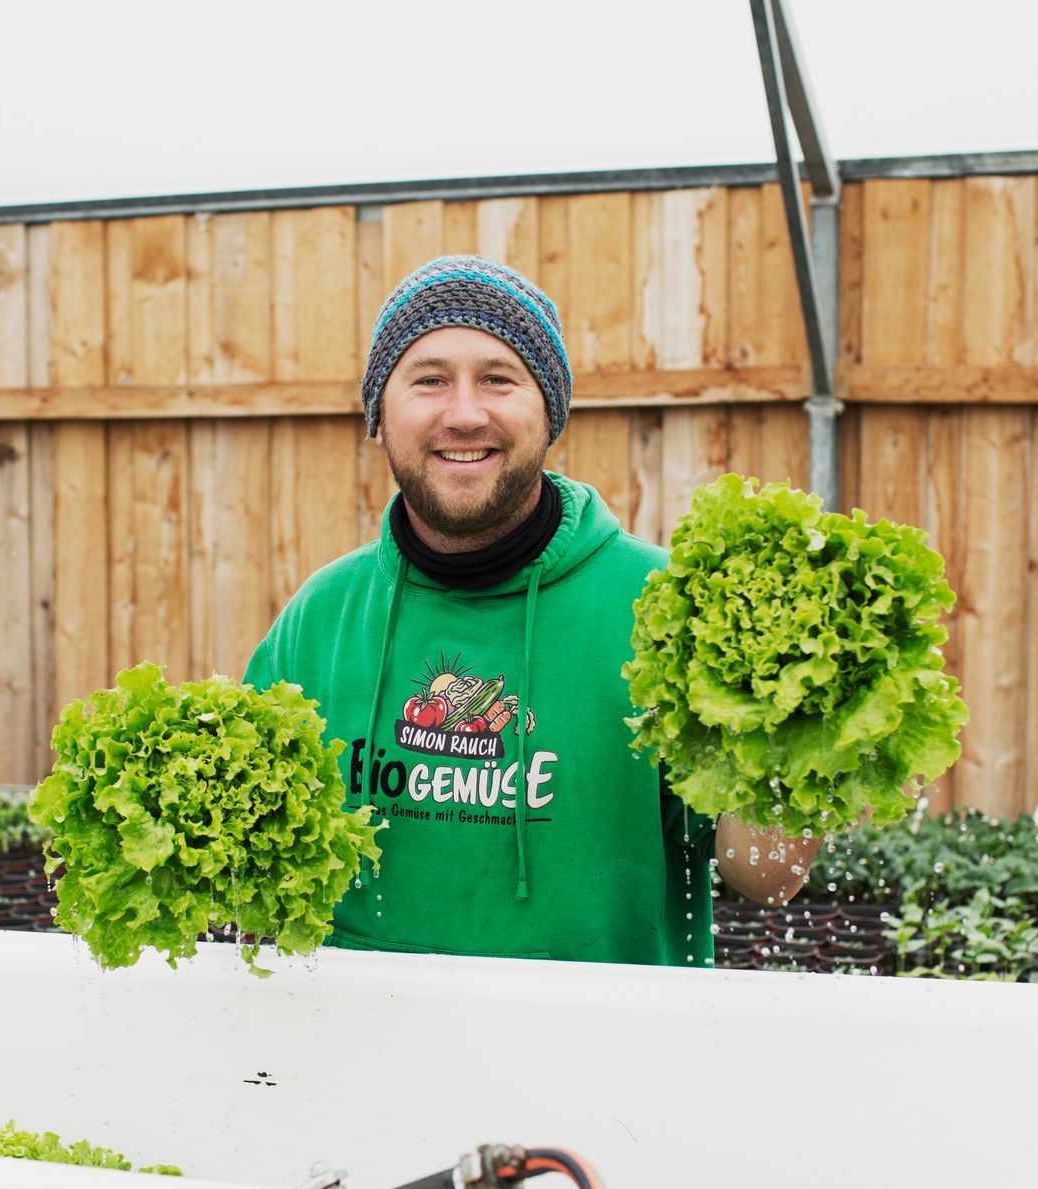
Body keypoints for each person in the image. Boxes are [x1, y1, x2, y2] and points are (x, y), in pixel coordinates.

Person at [243, 255, 818, 966]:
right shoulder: (321, 619)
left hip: (599, 1062)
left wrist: (808, 721)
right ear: (378, 414)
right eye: (428, 379)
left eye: (498, 378)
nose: (463, 413)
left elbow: (764, 876)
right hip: (366, 1064)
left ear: (549, 410)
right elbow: (247, 875)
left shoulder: (667, 608)